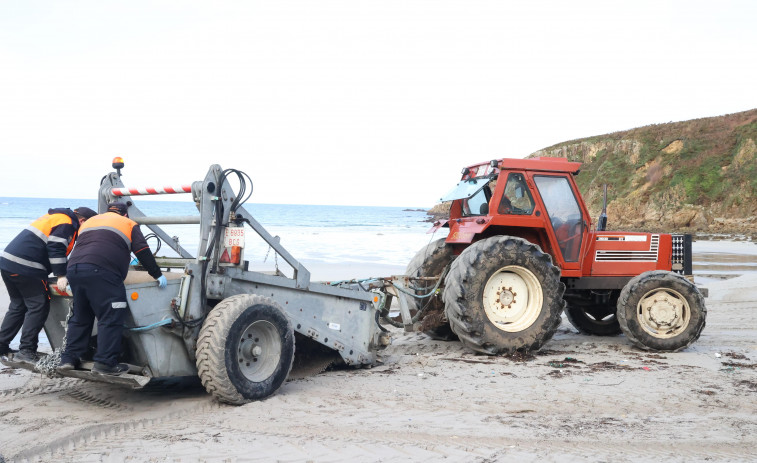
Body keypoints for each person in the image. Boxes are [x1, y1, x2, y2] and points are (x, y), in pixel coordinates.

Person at [58, 202, 168, 375]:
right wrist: (156, 274)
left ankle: (69, 359)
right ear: (125, 215)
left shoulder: (90, 222)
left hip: (74, 270)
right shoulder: (129, 223)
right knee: (111, 315)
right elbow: (142, 250)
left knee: (80, 317)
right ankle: (105, 363)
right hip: (102, 272)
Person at [0, 206, 98, 361]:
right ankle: (26, 350)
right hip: (27, 266)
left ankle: (1, 345)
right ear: (82, 221)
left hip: (8, 262)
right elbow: (56, 248)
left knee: (18, 305)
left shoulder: (57, 217)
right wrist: (61, 275)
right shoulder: (67, 224)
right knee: (38, 305)